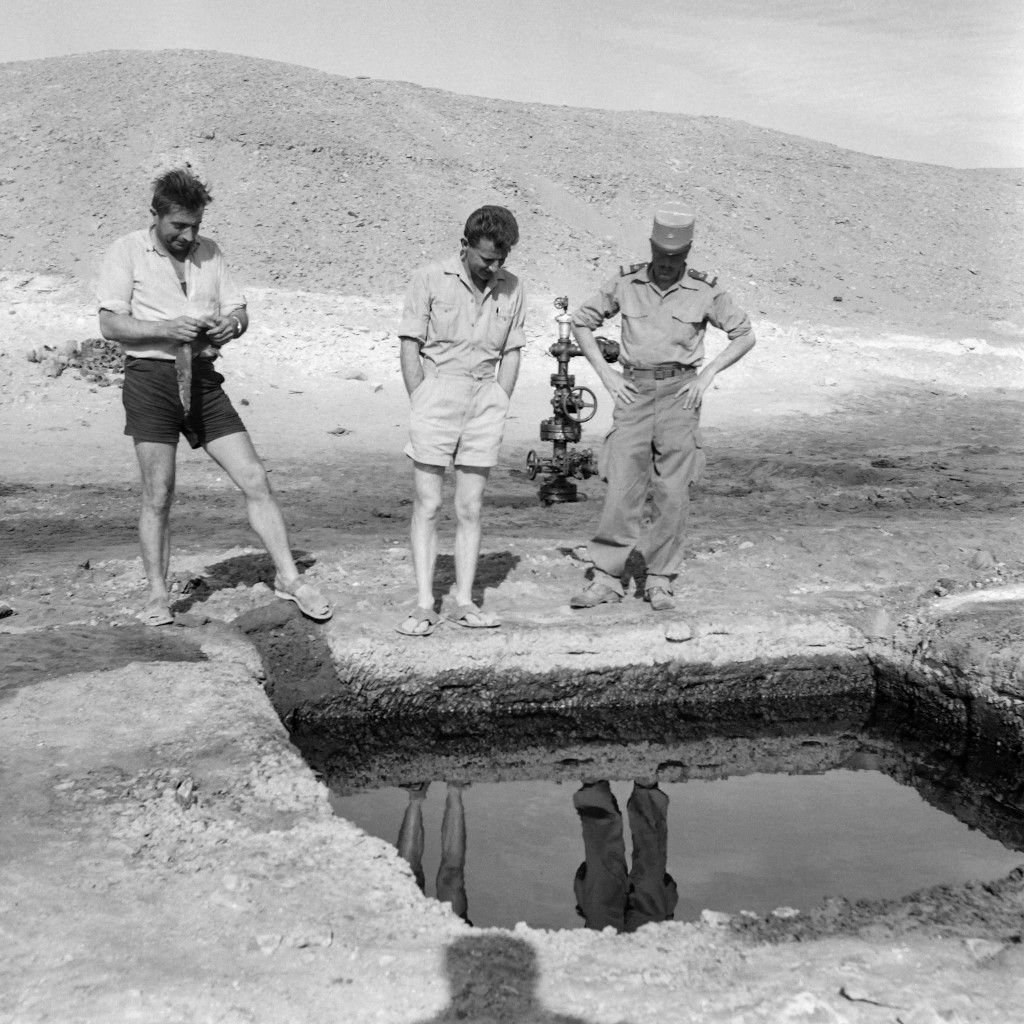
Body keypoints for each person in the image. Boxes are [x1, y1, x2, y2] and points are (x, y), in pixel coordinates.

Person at [96, 167, 332, 626]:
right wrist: (166, 328)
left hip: (203, 379)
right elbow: (109, 323)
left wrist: (233, 325)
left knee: (255, 477)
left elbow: (238, 309)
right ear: (155, 215)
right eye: (179, 226)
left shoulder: (211, 252)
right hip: (151, 379)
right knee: (159, 493)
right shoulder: (125, 251)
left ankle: (289, 578)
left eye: (196, 226)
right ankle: (158, 595)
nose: (188, 236)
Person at [568, 202, 756, 612]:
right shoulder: (626, 281)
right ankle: (606, 578)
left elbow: (744, 335)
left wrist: (707, 375)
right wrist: (606, 374)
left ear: (687, 253)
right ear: (652, 247)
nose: (667, 264)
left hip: (679, 396)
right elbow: (581, 322)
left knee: (672, 492)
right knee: (621, 487)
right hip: (632, 393)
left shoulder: (705, 290)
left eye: (676, 257)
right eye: (661, 255)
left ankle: (659, 580)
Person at [396, 206, 526, 636]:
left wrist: (501, 396)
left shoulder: (514, 287)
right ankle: (423, 604)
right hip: (437, 394)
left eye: (501, 260)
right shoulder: (428, 278)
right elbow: (410, 343)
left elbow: (512, 349)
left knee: (470, 507)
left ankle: (465, 601)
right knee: (429, 504)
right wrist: (421, 395)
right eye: (486, 258)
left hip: (485, 399)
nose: (493, 268)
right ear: (465, 246)